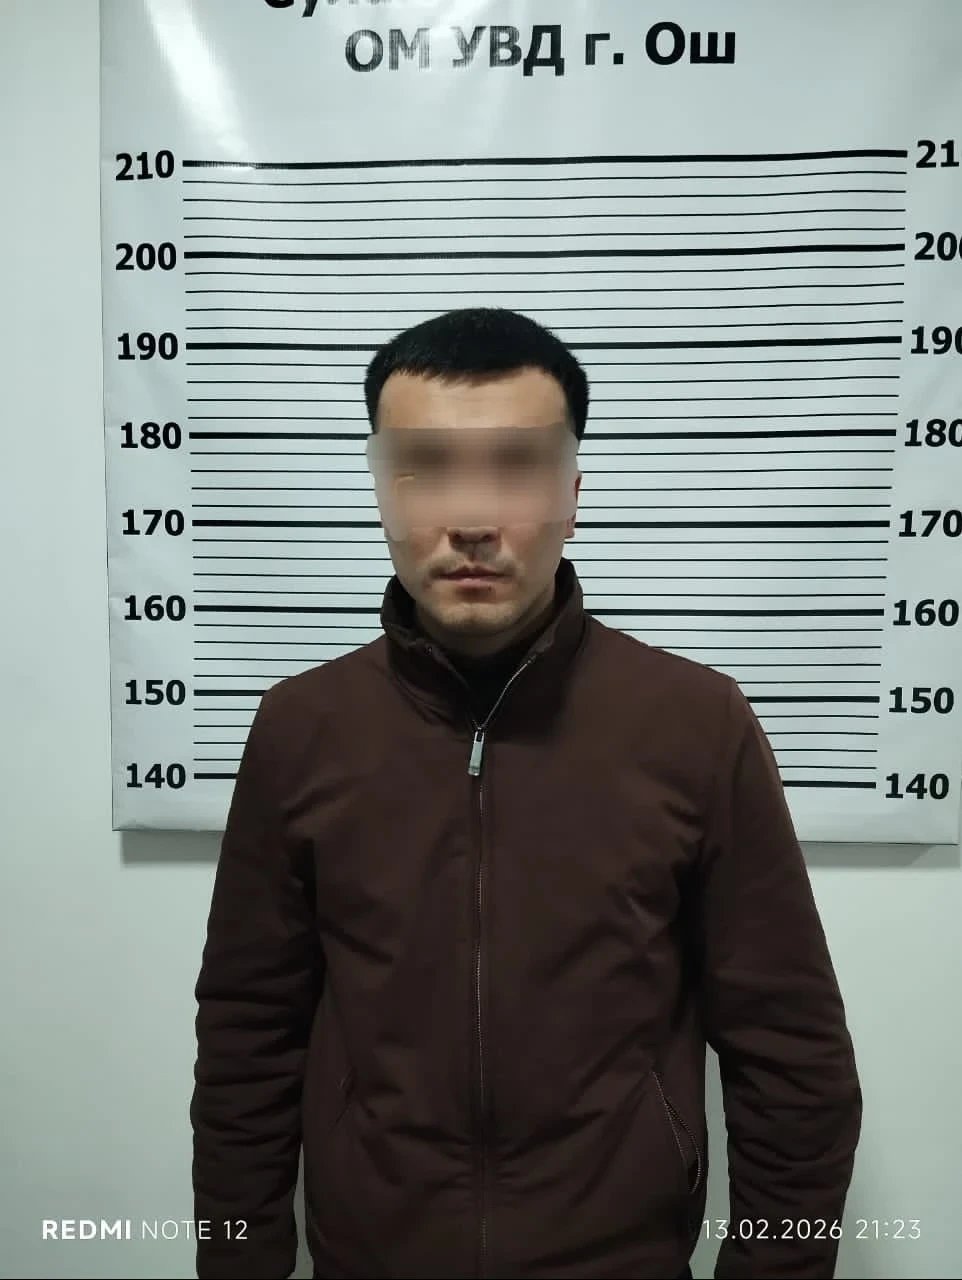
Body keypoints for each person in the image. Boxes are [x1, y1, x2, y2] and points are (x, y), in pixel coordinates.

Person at [191, 307, 862, 1279]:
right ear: (381, 491)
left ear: (571, 494)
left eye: (515, 466)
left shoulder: (694, 723)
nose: (471, 517)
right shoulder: (301, 726)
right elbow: (247, 1036)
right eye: (427, 466)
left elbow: (789, 1052)